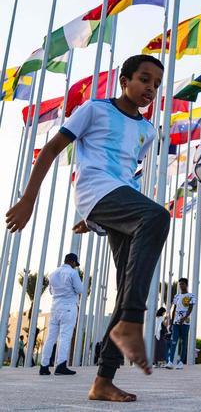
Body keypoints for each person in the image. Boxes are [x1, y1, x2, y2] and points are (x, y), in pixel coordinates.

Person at [6, 55, 168, 402]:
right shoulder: (94, 109)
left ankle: (103, 381)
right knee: (159, 217)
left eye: (156, 84)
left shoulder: (147, 130)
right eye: (143, 79)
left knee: (127, 286)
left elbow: (129, 173)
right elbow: (51, 149)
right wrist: (28, 199)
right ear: (124, 81)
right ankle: (133, 323)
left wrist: (100, 218)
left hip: (120, 202)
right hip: (95, 189)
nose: (150, 88)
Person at [38, 253, 83, 375]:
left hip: (55, 307)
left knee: (50, 337)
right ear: (72, 262)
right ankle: (61, 365)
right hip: (68, 307)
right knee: (65, 337)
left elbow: (52, 291)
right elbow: (80, 290)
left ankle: (44, 366)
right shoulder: (72, 273)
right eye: (75, 264)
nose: (75, 266)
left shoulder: (53, 273)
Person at [166, 278, 196, 369]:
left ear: (186, 285)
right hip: (176, 322)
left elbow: (190, 308)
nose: (181, 286)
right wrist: (171, 322)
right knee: (174, 341)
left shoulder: (191, 296)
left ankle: (181, 362)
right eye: (180, 284)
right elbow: (174, 309)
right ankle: (170, 362)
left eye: (182, 284)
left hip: (185, 322)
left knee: (183, 342)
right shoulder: (177, 296)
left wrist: (185, 317)